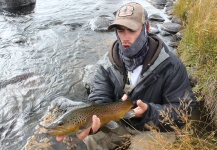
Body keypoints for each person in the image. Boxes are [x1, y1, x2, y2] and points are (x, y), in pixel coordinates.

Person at [57, 2, 195, 149]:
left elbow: (184, 110)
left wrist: (148, 111)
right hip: (121, 121)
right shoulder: (106, 64)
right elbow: (99, 99)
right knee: (92, 137)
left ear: (146, 28)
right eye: (120, 30)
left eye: (131, 29)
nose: (125, 37)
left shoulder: (171, 65)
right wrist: (92, 122)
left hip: (155, 127)